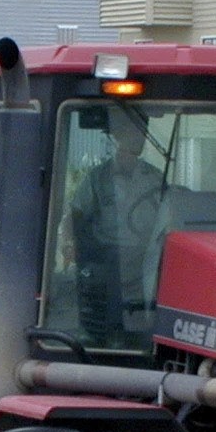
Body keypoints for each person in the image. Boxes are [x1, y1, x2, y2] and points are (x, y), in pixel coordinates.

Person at [67, 107, 167, 348]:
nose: (140, 138)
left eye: (143, 133)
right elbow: (76, 217)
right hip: (108, 262)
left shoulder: (155, 178)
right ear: (119, 136)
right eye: (135, 132)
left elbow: (168, 217)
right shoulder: (98, 179)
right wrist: (70, 245)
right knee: (109, 328)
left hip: (148, 263)